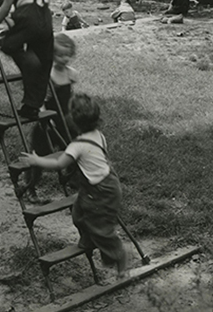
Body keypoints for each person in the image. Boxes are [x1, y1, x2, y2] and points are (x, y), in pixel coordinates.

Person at [17, 94, 129, 277]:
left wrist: (36, 160)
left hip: (101, 191)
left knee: (101, 227)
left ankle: (120, 257)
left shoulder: (77, 146)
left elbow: (58, 164)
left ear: (73, 121)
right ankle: (88, 239)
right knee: (78, 214)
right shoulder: (98, 135)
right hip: (102, 185)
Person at [23, 33, 81, 201]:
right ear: (52, 54)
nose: (63, 59)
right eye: (59, 55)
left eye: (67, 55)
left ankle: (73, 180)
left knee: (74, 149)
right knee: (39, 155)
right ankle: (30, 187)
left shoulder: (71, 74)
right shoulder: (49, 75)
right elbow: (40, 97)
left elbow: (71, 96)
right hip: (47, 123)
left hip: (66, 121)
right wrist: (42, 115)